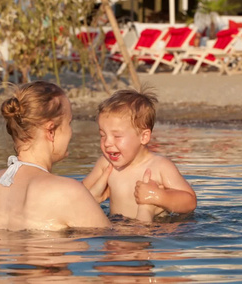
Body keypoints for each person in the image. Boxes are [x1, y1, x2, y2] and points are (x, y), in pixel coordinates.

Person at [0, 81, 111, 231]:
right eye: (69, 123)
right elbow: (114, 242)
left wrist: (89, 202)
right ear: (50, 131)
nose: (70, 132)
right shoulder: (68, 191)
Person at [83, 88, 197, 222]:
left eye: (117, 136)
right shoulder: (106, 164)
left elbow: (190, 201)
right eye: (102, 135)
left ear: (143, 137)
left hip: (154, 230)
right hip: (115, 231)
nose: (107, 142)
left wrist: (158, 196)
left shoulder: (160, 166)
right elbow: (78, 193)